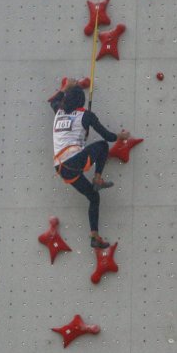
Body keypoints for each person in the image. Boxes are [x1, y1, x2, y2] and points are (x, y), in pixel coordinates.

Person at [49, 78, 129, 249]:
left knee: (94, 197)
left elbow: (54, 101)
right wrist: (120, 137)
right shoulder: (86, 115)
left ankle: (94, 236)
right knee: (102, 145)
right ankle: (98, 178)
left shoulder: (58, 112)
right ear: (81, 101)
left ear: (66, 100)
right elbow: (107, 136)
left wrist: (66, 87)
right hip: (73, 161)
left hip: (61, 168)